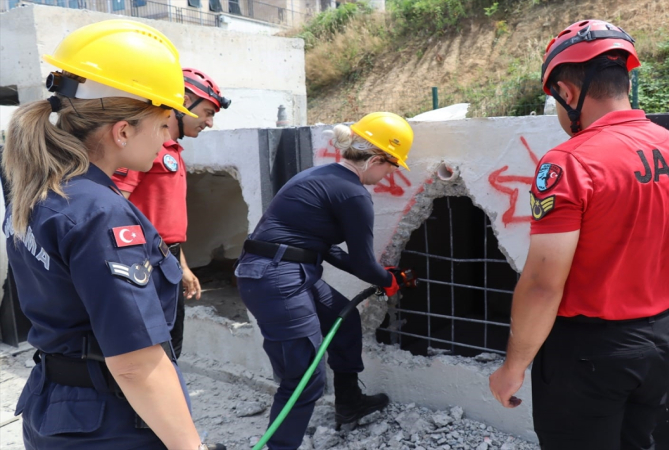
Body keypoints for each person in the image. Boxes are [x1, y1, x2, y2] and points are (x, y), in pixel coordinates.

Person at [488, 19, 669, 450]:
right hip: (658, 343)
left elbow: (541, 284)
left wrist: (513, 367)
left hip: (587, 354)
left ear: (567, 94)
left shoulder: (568, 163)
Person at [2, 19, 221, 450]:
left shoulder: (39, 186)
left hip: (57, 405)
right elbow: (136, 365)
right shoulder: (100, 212)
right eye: (161, 125)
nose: (165, 140)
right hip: (108, 422)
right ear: (123, 131)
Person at [236, 112, 414, 449]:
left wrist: (381, 277)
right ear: (375, 158)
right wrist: (386, 280)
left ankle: (349, 404)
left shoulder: (321, 176)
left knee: (343, 320)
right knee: (303, 379)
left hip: (283, 272)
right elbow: (362, 261)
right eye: (391, 165)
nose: (392, 173)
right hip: (278, 279)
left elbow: (327, 248)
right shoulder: (354, 194)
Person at [112, 68, 230, 359]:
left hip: (167, 257)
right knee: (153, 350)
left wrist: (182, 266)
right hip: (144, 259)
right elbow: (113, 206)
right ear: (184, 100)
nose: (210, 123)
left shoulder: (173, 150)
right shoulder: (143, 146)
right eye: (207, 112)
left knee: (170, 344)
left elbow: (165, 225)